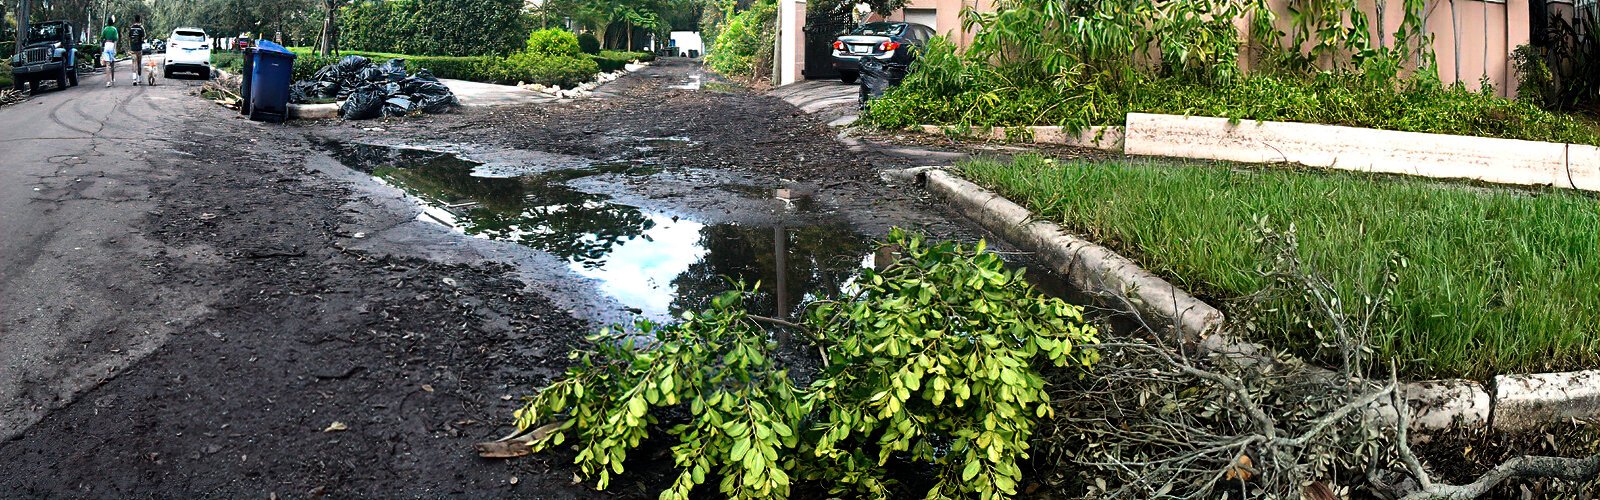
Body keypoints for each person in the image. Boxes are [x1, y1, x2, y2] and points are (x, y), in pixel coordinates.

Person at [128, 15, 146, 86]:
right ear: (140, 20)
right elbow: (144, 36)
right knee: (139, 63)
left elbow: (129, 38)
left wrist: (130, 46)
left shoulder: (131, 28)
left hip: (133, 49)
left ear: (134, 20)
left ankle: (134, 79)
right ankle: (139, 78)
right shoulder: (141, 28)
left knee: (133, 63)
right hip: (139, 49)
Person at [100, 19, 119, 87]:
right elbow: (116, 39)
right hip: (112, 45)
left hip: (106, 45)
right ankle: (113, 78)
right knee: (112, 63)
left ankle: (108, 81)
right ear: (112, 23)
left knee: (107, 64)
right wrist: (115, 49)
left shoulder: (105, 29)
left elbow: (101, 38)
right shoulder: (114, 29)